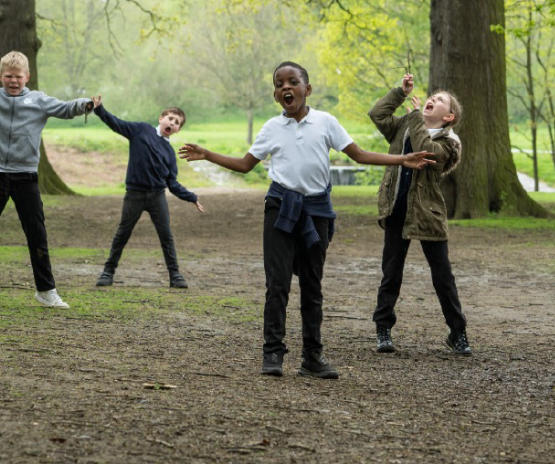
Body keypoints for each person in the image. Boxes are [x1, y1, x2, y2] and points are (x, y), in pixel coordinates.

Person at [179, 61, 434, 380]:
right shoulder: (272, 128)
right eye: (280, 84)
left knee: (312, 286)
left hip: (317, 213)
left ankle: (312, 357)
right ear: (276, 95)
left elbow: (359, 155)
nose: (286, 87)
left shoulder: (325, 122)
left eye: (293, 82)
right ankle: (273, 352)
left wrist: (403, 159)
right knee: (278, 283)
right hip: (280, 209)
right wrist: (208, 154)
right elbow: (246, 164)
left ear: (307, 89)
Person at [0, 49, 94, 309]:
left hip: (27, 178)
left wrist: (86, 104)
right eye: (8, 76)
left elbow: (66, 108)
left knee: (37, 236)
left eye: (18, 77)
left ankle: (46, 291)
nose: (13, 81)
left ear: (27, 76)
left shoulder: (39, 100)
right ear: (0, 76)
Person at [369, 74, 472, 356]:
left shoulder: (449, 144)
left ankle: (458, 332)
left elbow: (426, 149)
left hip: (428, 214)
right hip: (396, 209)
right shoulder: (405, 124)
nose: (431, 99)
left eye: (439, 100)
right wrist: (399, 93)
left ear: (449, 117)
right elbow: (377, 114)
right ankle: (383, 329)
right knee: (391, 272)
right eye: (432, 96)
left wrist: (414, 116)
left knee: (443, 276)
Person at [91, 97, 204, 289]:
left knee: (166, 235)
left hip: (156, 197)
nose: (172, 123)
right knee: (122, 233)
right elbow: (116, 123)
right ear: (161, 118)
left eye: (177, 122)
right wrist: (100, 109)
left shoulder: (169, 153)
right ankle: (107, 272)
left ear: (178, 130)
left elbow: (172, 183)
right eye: (170, 118)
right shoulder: (140, 130)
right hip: (134, 195)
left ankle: (175, 275)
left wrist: (191, 197)